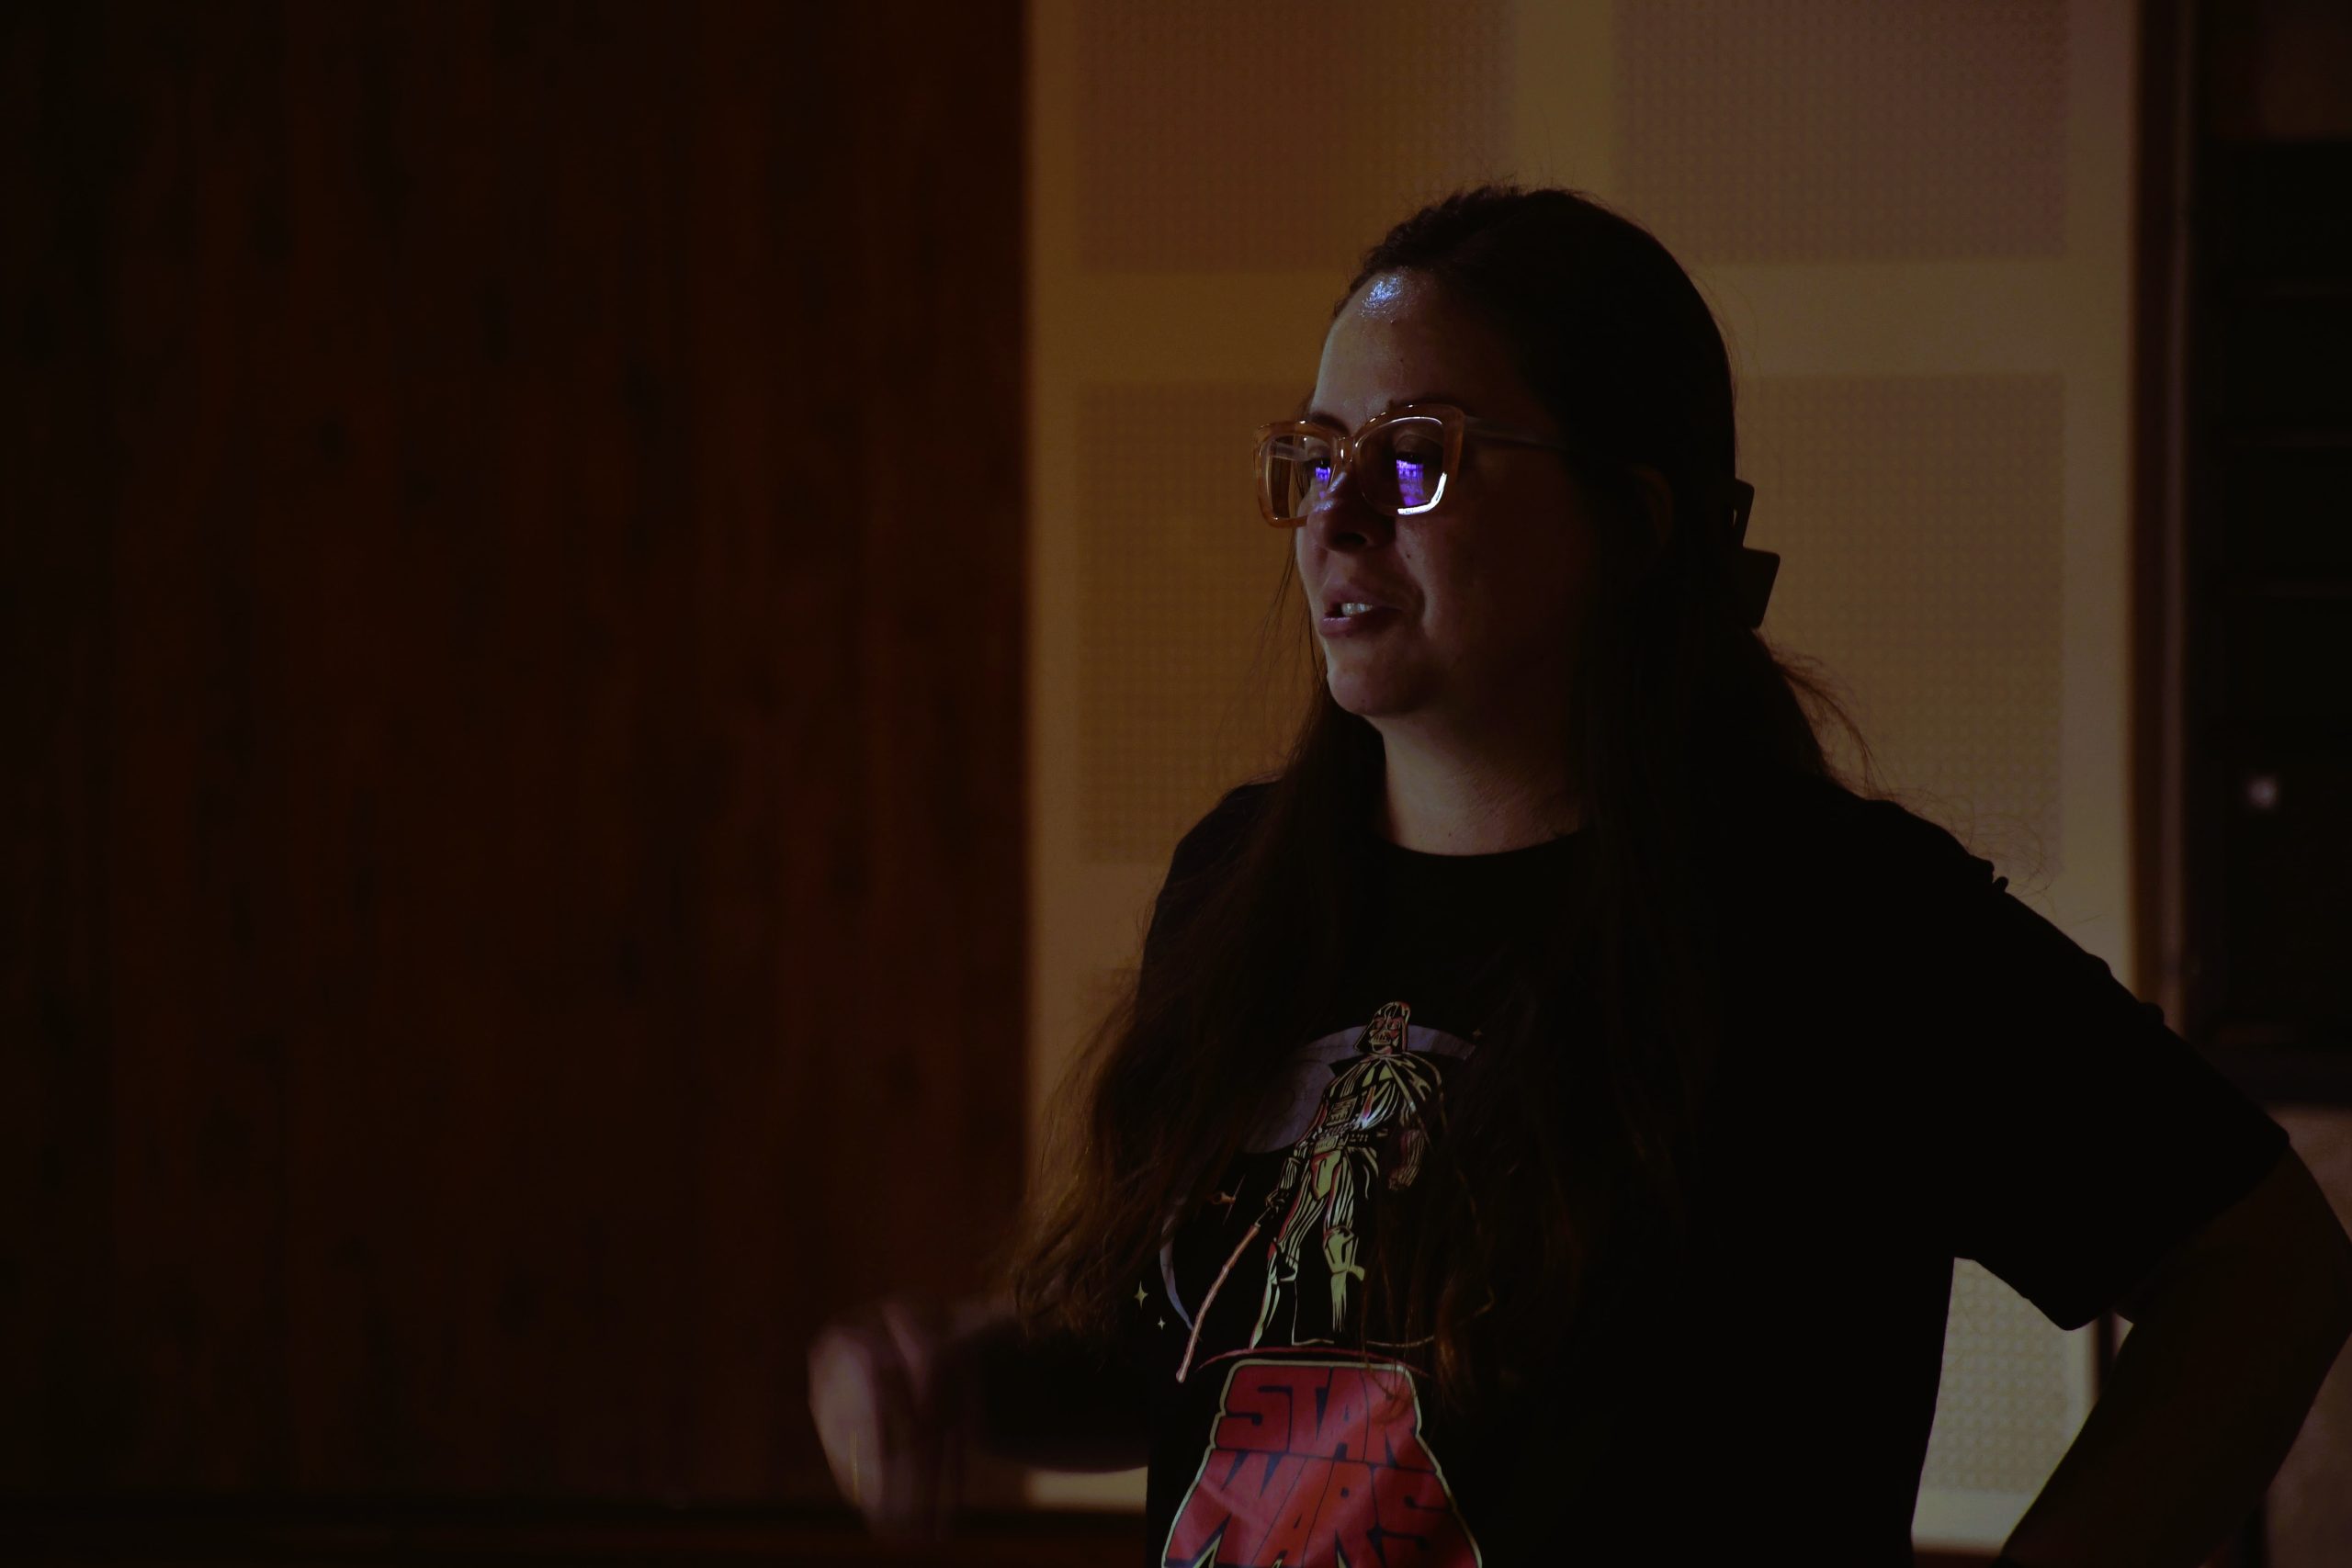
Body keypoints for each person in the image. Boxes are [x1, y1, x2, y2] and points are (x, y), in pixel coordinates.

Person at [807, 184, 2352, 1566]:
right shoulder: (1236, 886)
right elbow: (1213, 1354)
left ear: (1631, 520)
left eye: (1417, 456)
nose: (1339, 515)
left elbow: (2262, 1265)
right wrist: (969, 1373)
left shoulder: (1838, 920)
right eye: (1317, 456)